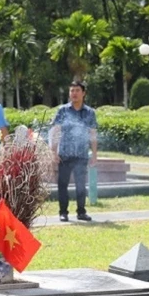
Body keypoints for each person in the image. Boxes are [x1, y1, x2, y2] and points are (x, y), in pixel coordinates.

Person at [51, 81, 98, 222]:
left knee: (81, 186)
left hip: (81, 154)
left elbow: (93, 134)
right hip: (64, 154)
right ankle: (63, 212)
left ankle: (81, 212)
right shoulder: (63, 110)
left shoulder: (90, 113)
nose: (74, 93)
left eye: (77, 90)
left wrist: (94, 154)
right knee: (62, 185)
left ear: (83, 93)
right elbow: (56, 131)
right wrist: (54, 151)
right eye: (72, 91)